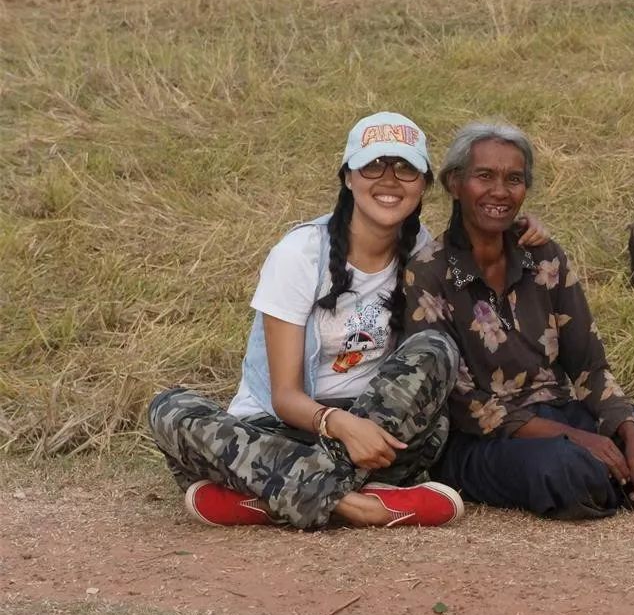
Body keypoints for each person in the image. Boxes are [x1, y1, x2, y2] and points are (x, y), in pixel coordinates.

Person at [146, 112, 550, 530]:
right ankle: (360, 507)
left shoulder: (426, 254)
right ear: (348, 177)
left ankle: (270, 498)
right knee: (169, 409)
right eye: (373, 165)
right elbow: (285, 396)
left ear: (425, 184)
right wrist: (338, 424)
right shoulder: (300, 253)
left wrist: (513, 232)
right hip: (284, 427)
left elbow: (482, 275)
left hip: (378, 432)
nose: (389, 180)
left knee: (436, 352)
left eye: (406, 168)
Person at [403, 121, 634, 519]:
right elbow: (462, 401)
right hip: (485, 439)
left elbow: (588, 364)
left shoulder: (543, 256)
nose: (500, 191)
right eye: (484, 176)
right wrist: (577, 438)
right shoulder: (428, 271)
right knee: (563, 468)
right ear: (455, 183)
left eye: (514, 179)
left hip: (560, 411)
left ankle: (612, 478)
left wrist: (629, 432)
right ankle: (608, 480)